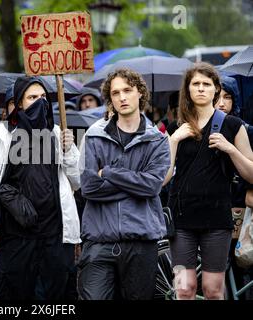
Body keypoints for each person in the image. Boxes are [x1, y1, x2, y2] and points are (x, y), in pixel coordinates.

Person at [0, 76, 81, 300]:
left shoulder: (57, 133)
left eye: (43, 97)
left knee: (55, 296)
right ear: (19, 104)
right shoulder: (0, 136)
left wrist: (69, 151)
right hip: (16, 236)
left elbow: (77, 182)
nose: (40, 102)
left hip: (54, 236)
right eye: (32, 97)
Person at [78, 68, 170, 300]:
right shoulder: (95, 134)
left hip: (141, 240)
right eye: (116, 92)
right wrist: (135, 183)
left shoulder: (157, 139)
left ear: (139, 93)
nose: (122, 97)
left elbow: (151, 187)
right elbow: (89, 187)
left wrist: (109, 172)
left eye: (127, 90)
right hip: (99, 240)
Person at [164, 62, 253, 300]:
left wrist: (231, 149)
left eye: (207, 84)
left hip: (216, 220)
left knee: (213, 290)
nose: (201, 89)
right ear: (188, 90)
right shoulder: (176, 128)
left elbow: (251, 174)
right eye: (196, 84)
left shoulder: (233, 126)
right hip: (182, 220)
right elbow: (163, 178)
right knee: (184, 288)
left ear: (216, 90)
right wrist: (173, 141)